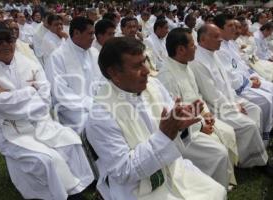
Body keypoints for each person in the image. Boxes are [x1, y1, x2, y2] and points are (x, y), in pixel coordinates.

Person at [86, 36, 226, 200]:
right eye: (137, 66)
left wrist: (181, 127)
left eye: (145, 61)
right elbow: (123, 171)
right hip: (137, 189)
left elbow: (174, 136)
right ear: (114, 73)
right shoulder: (100, 116)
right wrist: (164, 135)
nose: (146, 70)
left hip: (173, 169)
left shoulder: (154, 86)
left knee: (216, 192)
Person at [0, 21, 94, 200]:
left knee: (71, 142)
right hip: (12, 130)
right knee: (47, 160)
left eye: (8, 39)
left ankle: (74, 187)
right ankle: (57, 195)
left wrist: (18, 100)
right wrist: (30, 92)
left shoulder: (27, 61)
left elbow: (45, 95)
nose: (5, 45)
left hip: (40, 121)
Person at [158, 27, 238, 187]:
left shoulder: (185, 65)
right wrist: (201, 126)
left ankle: (224, 179)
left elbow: (197, 96)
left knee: (228, 132)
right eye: (193, 45)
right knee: (219, 152)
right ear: (181, 49)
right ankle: (213, 186)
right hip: (184, 134)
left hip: (199, 119)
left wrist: (206, 114)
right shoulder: (167, 75)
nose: (196, 48)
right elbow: (176, 116)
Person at [189, 24, 272, 172]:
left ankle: (249, 152)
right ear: (202, 39)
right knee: (249, 126)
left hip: (229, 100)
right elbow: (212, 94)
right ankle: (253, 162)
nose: (220, 39)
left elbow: (226, 84)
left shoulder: (213, 53)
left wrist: (237, 101)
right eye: (215, 36)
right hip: (216, 108)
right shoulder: (198, 61)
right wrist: (234, 106)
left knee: (255, 110)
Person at [214, 14, 273, 146]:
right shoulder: (218, 48)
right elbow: (230, 75)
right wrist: (249, 82)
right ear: (219, 28)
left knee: (271, 88)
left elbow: (240, 64)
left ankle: (267, 128)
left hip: (244, 80)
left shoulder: (229, 43)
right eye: (230, 26)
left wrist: (252, 76)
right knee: (266, 100)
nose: (234, 29)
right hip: (237, 88)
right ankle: (262, 137)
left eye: (235, 26)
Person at [45, 17, 102, 134]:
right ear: (76, 33)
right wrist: (92, 105)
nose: (93, 38)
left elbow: (103, 80)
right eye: (90, 34)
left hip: (98, 103)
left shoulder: (94, 52)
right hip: (72, 109)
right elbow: (60, 92)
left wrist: (102, 102)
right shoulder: (57, 57)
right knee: (97, 126)